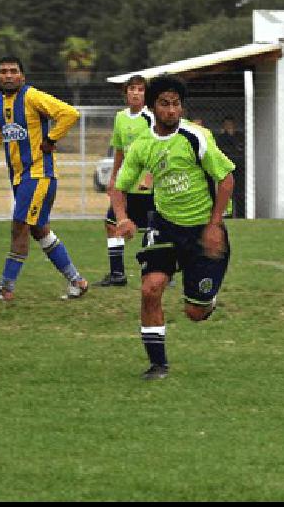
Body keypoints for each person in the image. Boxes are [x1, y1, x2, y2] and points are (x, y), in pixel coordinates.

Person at [111, 75, 235, 380]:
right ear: (153, 108)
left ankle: (206, 302)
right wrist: (123, 217)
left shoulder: (197, 137)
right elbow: (118, 187)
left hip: (203, 231)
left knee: (195, 313)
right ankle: (158, 365)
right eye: (165, 104)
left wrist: (215, 225)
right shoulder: (143, 145)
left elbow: (226, 179)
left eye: (176, 104)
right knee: (150, 289)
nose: (171, 110)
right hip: (164, 226)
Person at [0, 56, 88, 302]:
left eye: (13, 71)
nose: (8, 75)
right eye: (3, 71)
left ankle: (6, 287)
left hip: (39, 174)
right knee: (39, 230)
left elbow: (69, 113)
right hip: (20, 177)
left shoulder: (32, 97)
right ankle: (77, 281)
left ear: (22, 77)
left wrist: (50, 140)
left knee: (19, 227)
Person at [95, 75, 155, 287]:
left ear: (146, 95)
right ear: (126, 92)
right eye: (132, 89)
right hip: (125, 184)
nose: (136, 93)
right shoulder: (120, 117)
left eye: (140, 89)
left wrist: (150, 177)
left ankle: (157, 271)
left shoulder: (151, 117)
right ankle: (117, 274)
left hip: (147, 185)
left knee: (152, 228)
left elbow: (160, 148)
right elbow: (119, 149)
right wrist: (113, 177)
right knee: (112, 223)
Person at [215, 116, 245, 218]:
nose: (229, 126)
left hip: (240, 168)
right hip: (227, 169)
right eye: (226, 124)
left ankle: (241, 215)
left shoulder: (240, 136)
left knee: (240, 192)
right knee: (227, 192)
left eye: (230, 124)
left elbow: (241, 148)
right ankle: (228, 215)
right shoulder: (221, 138)